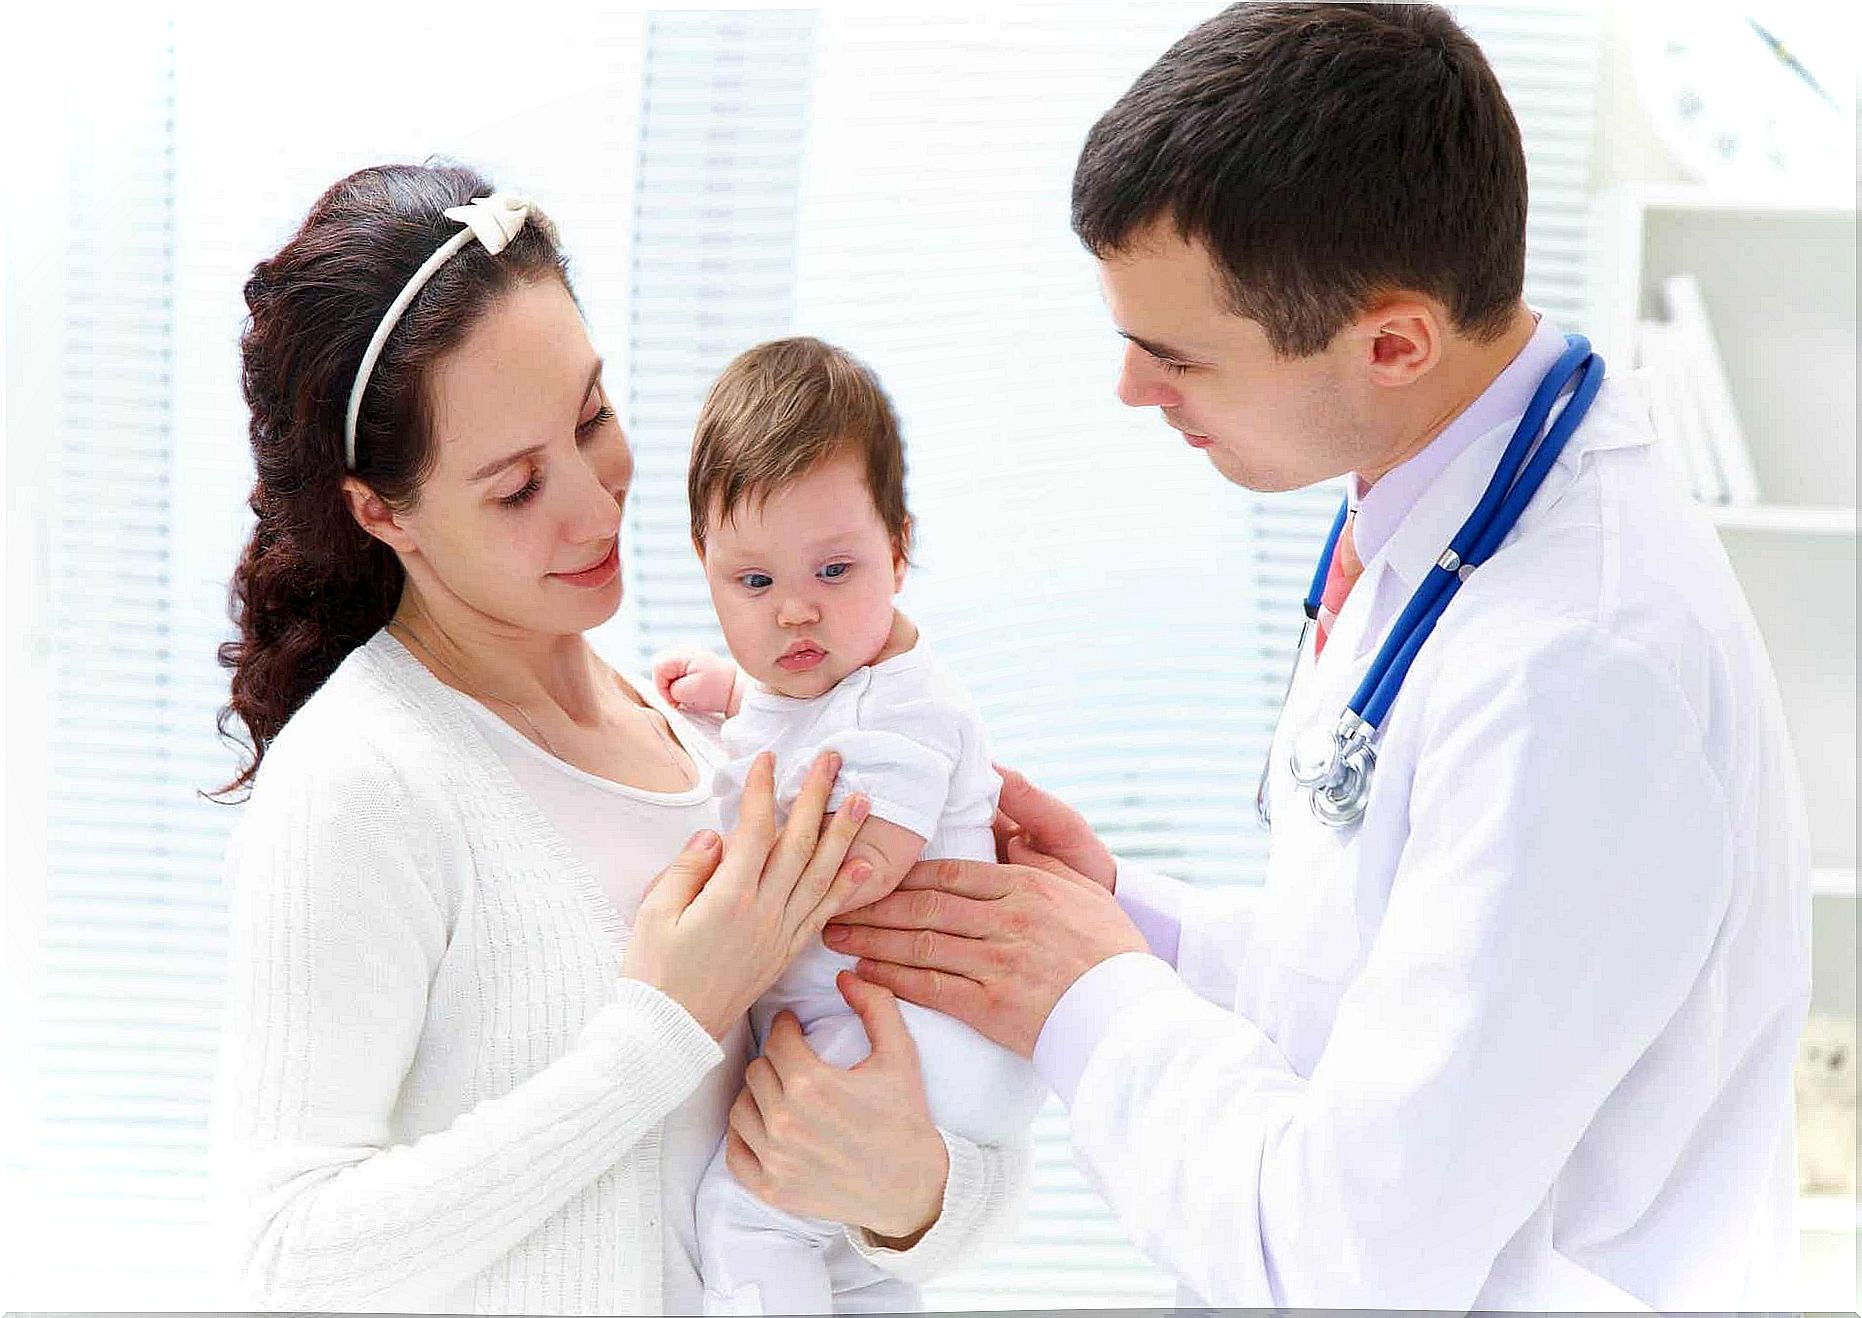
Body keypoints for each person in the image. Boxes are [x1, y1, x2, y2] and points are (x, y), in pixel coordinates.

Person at [824, 3, 1812, 1309]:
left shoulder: (1573, 669)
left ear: (1391, 342)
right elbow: (1396, 995)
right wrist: (1139, 923)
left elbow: (1357, 1257)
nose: (1130, 391)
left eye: (1174, 354)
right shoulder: (1442, 507)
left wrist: (1089, 999)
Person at [206, 162, 1027, 1315]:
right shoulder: (363, 780)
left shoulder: (707, 725)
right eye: (515, 486)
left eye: (591, 416)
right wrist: (662, 1027)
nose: (597, 507)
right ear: (380, 511)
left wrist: (912, 1191)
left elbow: (909, 1176)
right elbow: (284, 1258)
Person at [651, 337, 1044, 1315]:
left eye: (834, 569)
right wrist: (733, 693)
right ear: (703, 564)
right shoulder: (828, 679)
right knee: (846, 1262)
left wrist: (722, 784)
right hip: (882, 1035)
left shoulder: (907, 706)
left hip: (916, 1037)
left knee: (750, 1212)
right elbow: (794, 714)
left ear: (899, 550)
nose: (794, 612)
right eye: (752, 584)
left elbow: (858, 856)